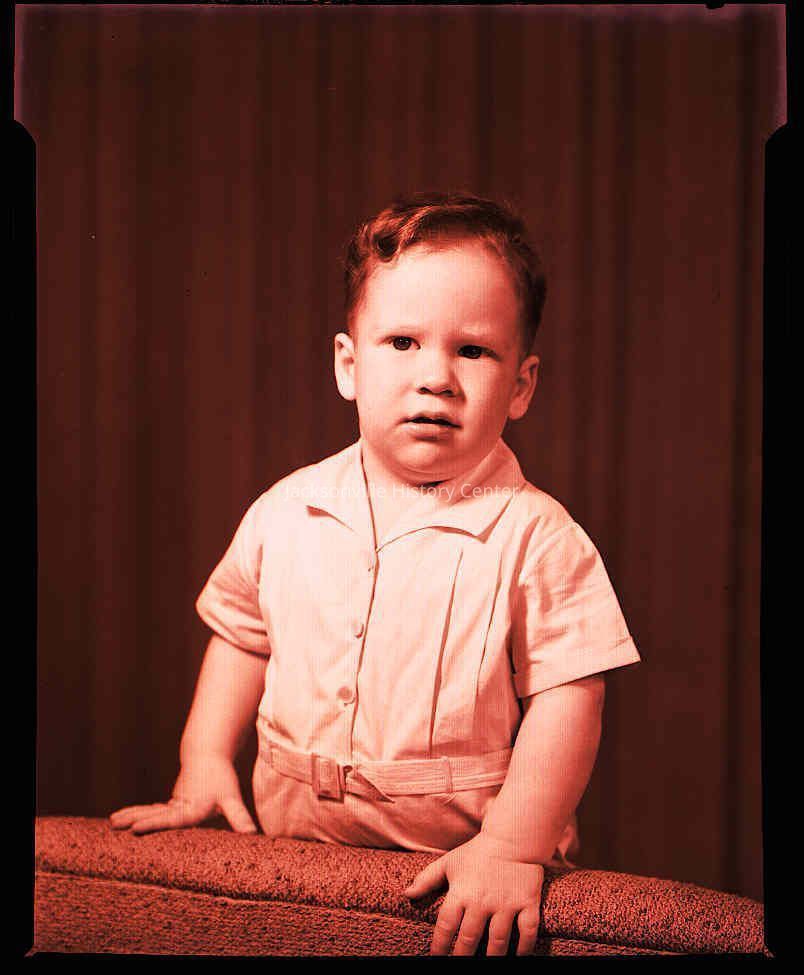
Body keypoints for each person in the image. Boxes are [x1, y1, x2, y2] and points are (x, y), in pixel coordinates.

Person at [110, 192, 641, 956]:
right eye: (402, 342)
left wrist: (512, 846)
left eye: (473, 351)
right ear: (348, 365)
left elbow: (571, 697)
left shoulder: (538, 537)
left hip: (463, 870)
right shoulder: (287, 510)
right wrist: (204, 762)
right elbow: (243, 635)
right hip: (296, 858)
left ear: (522, 385)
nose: (436, 377)